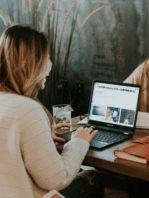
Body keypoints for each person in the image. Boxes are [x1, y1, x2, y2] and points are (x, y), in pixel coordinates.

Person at [0, 25, 104, 198]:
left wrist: (42, 137)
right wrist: (77, 142)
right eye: (47, 58)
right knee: (93, 177)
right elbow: (56, 180)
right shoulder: (28, 109)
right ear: (26, 65)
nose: (51, 64)